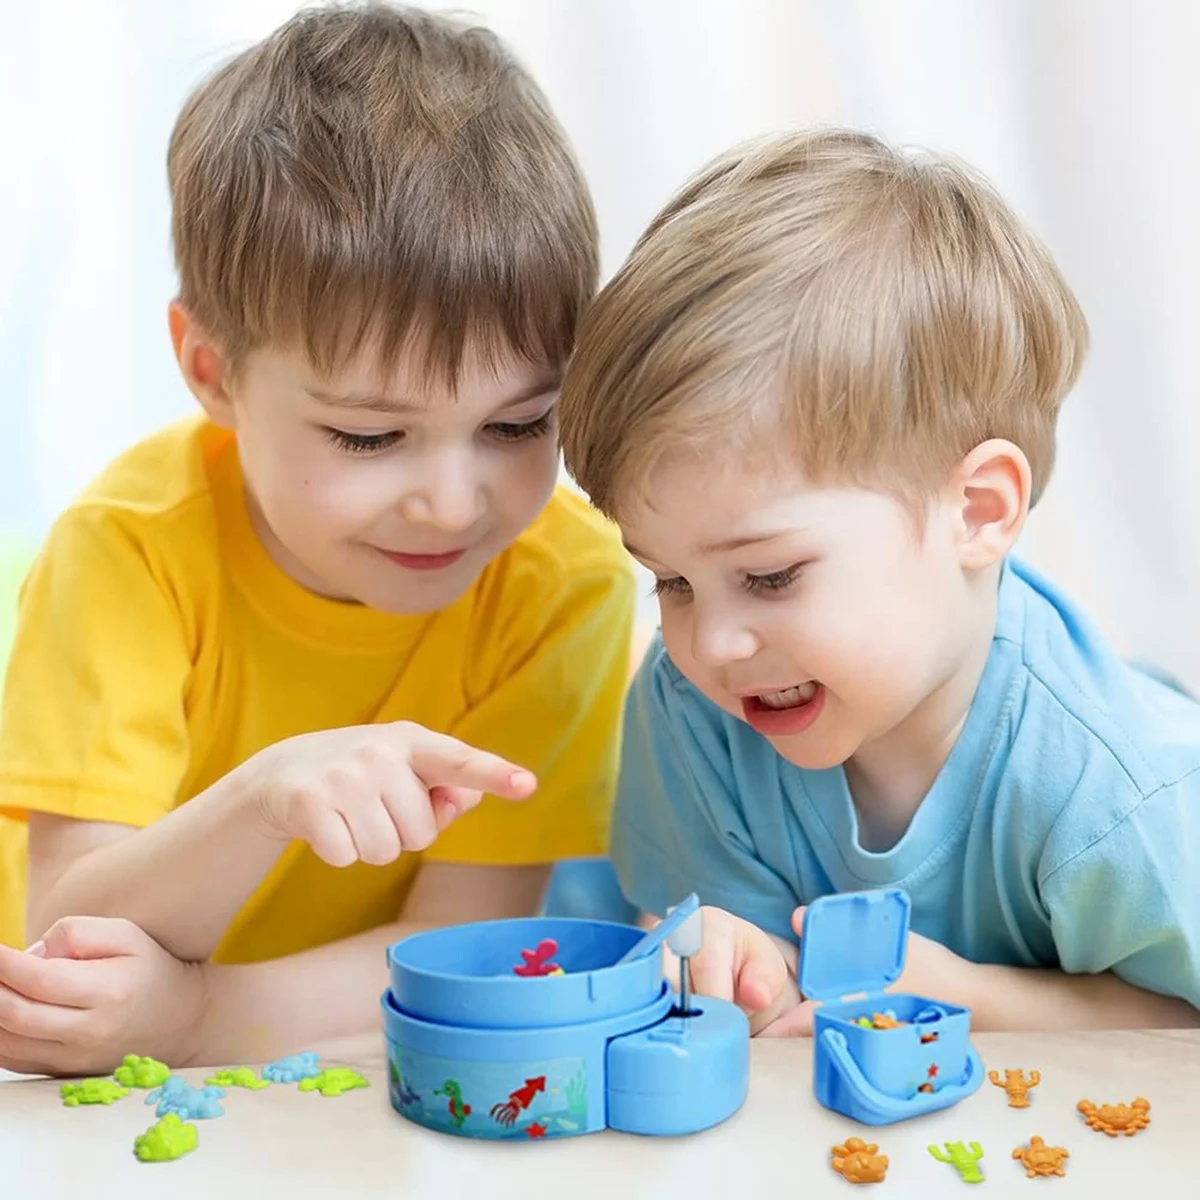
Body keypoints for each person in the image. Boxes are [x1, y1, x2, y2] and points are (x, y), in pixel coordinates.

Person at [0, 1, 633, 1075]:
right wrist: (262, 800)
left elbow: (462, 946)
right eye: (370, 436)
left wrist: (194, 1018)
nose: (453, 505)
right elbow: (67, 933)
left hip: (314, 1071)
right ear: (211, 371)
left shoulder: (561, 582)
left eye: (519, 424)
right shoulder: (128, 547)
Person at [557, 127, 1200, 1035]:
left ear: (977, 511)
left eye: (770, 576)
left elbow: (1180, 1030)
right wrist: (741, 966)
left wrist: (968, 996)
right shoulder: (692, 709)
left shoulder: (1119, 794)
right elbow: (731, 965)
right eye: (672, 582)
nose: (711, 643)